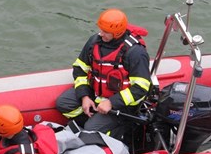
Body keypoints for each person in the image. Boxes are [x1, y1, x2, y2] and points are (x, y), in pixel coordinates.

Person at [56, 8, 151, 139]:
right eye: (101, 29)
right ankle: (91, 120)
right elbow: (79, 68)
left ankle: (122, 130)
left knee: (91, 129)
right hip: (96, 94)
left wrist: (111, 103)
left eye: (106, 32)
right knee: (63, 103)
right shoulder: (94, 42)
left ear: (117, 33)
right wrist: (84, 96)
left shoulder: (135, 53)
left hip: (122, 104)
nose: (101, 34)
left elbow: (141, 88)